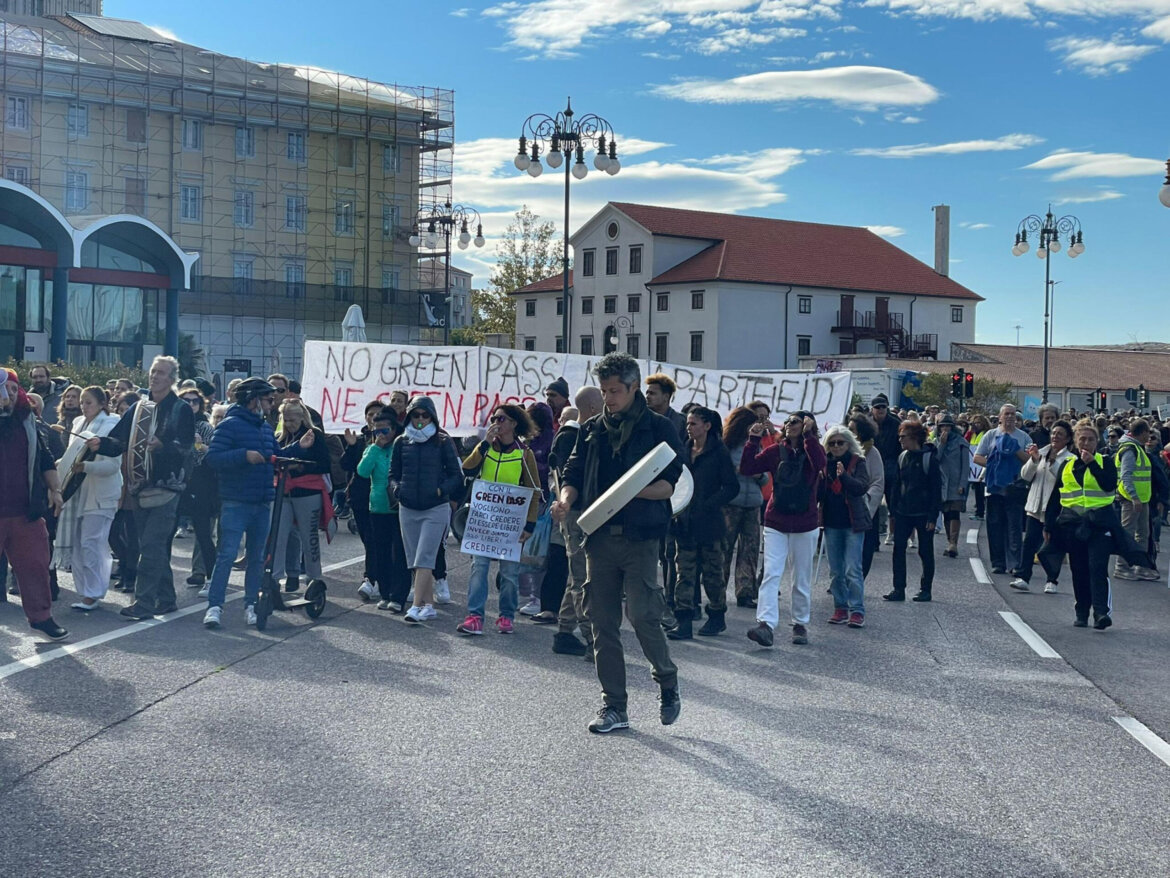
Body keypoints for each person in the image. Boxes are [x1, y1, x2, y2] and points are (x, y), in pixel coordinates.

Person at [553, 353, 684, 734]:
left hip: (640, 537)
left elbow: (669, 485)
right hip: (597, 539)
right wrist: (565, 499)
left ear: (633, 388)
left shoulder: (659, 428)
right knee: (600, 622)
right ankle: (614, 706)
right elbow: (573, 471)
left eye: (615, 391)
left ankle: (667, 681)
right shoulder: (591, 429)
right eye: (605, 391)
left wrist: (628, 493)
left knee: (643, 615)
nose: (609, 398)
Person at [90, 356, 194, 621]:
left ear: (172, 380)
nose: (154, 376)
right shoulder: (137, 408)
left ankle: (144, 603)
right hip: (138, 487)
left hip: (166, 488)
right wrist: (99, 444)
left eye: (161, 373)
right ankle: (167, 599)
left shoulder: (181, 409)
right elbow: (118, 440)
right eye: (153, 371)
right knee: (153, 546)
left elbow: (186, 449)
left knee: (150, 546)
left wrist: (164, 446)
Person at [741, 410, 825, 647]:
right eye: (787, 421)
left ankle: (799, 623)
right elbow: (747, 468)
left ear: (808, 425)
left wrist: (809, 436)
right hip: (776, 521)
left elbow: (820, 464)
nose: (789, 425)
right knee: (772, 573)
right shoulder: (776, 451)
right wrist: (753, 441)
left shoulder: (812, 449)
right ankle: (765, 625)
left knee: (801, 577)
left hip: (805, 523)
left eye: (796, 421)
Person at [457, 404, 541, 634]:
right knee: (478, 568)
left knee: (509, 574)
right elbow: (467, 469)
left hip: (510, 523)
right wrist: (484, 444)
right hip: (483, 520)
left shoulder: (524, 453)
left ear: (514, 423)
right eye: (494, 418)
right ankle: (475, 615)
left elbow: (534, 490)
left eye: (501, 419)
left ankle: (506, 616)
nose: (496, 422)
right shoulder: (486, 449)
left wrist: (530, 524)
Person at [201, 378, 278, 628]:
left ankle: (251, 606)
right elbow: (212, 458)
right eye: (267, 399)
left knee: (257, 557)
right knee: (227, 555)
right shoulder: (230, 425)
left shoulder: (266, 428)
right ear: (253, 400)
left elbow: (276, 455)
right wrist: (244, 455)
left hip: (262, 502)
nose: (271, 404)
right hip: (236, 501)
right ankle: (214, 607)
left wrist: (301, 448)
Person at [0, 369, 68, 639]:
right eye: (6, 390)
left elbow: (45, 458)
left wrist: (56, 489)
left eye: (15, 390)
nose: (10, 395)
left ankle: (41, 617)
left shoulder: (29, 421)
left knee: (37, 565)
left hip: (24, 511)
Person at [389, 396, 462, 625]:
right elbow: (393, 474)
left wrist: (441, 491)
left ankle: (415, 606)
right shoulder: (401, 442)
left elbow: (457, 476)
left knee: (425, 558)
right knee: (415, 560)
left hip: (435, 508)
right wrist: (397, 490)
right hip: (408, 507)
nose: (420, 420)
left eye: (425, 415)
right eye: (416, 415)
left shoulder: (442, 441)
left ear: (432, 417)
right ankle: (429, 605)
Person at [667, 406, 738, 640]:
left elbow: (731, 487)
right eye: (688, 424)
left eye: (694, 423)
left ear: (707, 426)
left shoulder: (719, 452)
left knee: (712, 574)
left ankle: (717, 616)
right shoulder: (683, 451)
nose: (689, 428)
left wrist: (709, 503)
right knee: (684, 574)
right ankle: (684, 620)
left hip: (710, 524)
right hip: (684, 523)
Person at [53, 386, 122, 611]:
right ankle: (85, 592)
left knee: (92, 543)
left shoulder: (112, 424)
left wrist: (86, 467)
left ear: (102, 404)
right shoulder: (78, 423)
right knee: (78, 545)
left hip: (101, 496)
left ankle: (94, 593)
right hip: (77, 494)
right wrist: (61, 464)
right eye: (82, 402)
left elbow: (113, 466)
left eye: (88, 402)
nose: (83, 406)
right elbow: (72, 455)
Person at [551, 387, 602, 657]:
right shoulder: (576, 436)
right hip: (579, 513)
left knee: (576, 575)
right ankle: (592, 640)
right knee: (584, 579)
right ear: (594, 408)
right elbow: (574, 477)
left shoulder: (569, 435)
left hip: (576, 512)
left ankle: (564, 630)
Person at [271, 399, 331, 594]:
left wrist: (300, 466)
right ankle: (274, 578)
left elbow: (324, 465)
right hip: (284, 492)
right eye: (286, 420)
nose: (289, 424)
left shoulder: (315, 435)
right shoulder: (280, 437)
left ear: (302, 417)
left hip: (308, 492)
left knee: (309, 537)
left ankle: (314, 578)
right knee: (278, 536)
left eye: (292, 420)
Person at [357, 407, 411, 612]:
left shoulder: (402, 446)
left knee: (400, 553)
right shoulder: (373, 449)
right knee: (380, 552)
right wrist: (373, 448)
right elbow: (362, 471)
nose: (380, 435)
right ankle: (385, 592)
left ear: (394, 429)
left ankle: (398, 596)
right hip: (378, 506)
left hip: (399, 507)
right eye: (376, 431)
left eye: (384, 430)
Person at [820, 425, 872, 627]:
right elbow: (819, 495)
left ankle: (857, 610)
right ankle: (840, 607)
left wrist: (844, 476)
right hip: (832, 522)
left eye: (840, 442)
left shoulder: (857, 462)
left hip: (853, 523)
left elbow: (861, 487)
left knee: (853, 569)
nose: (836, 446)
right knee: (835, 570)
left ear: (849, 444)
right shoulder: (824, 463)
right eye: (831, 443)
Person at [885, 420, 941, 603]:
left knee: (925, 551)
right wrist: (893, 511)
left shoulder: (929, 459)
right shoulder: (903, 457)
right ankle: (898, 589)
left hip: (923, 513)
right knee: (898, 549)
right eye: (899, 436)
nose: (900, 440)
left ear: (915, 437)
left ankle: (926, 590)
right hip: (903, 512)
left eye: (904, 437)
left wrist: (933, 516)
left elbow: (936, 489)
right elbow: (896, 485)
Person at [1016, 419, 1074, 594]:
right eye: (1054, 433)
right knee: (1029, 543)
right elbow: (1025, 476)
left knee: (1053, 546)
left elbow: (1063, 479)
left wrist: (1053, 463)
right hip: (1035, 506)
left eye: (1060, 434)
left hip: (1054, 509)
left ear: (1068, 439)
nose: (1055, 437)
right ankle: (1023, 576)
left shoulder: (1070, 459)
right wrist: (1034, 461)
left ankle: (1052, 580)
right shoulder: (1041, 453)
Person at [973, 405, 1031, 576]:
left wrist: (1015, 450)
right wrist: (994, 465)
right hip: (994, 488)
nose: (1010, 417)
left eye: (1013, 414)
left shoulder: (1023, 437)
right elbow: (977, 457)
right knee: (995, 526)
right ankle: (998, 562)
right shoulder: (991, 435)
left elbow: (1030, 461)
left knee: (1014, 527)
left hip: (1015, 487)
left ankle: (1014, 563)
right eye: (1007, 414)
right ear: (1000, 417)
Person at [721, 406, 768, 609]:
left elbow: (765, 476)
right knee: (725, 549)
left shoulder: (756, 446)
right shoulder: (727, 446)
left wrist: (759, 475)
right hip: (731, 504)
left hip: (753, 505)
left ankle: (745, 592)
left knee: (750, 550)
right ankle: (718, 590)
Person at [517, 400, 556, 617]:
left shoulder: (550, 441)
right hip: (523, 499)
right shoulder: (526, 441)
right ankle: (524, 595)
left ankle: (537, 597)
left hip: (541, 501)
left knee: (537, 552)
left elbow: (551, 471)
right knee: (521, 549)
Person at [178, 381, 218, 590]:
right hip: (176, 481)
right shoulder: (174, 423)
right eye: (187, 401)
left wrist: (200, 445)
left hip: (200, 483)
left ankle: (210, 577)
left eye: (195, 401)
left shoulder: (204, 426)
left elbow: (215, 452)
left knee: (203, 533)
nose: (191, 404)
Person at [347, 400, 386, 601]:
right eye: (370, 414)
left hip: (381, 499)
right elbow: (348, 466)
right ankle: (376, 578)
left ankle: (371, 579)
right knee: (368, 541)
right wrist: (352, 447)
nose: (373, 418)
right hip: (360, 498)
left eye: (378, 414)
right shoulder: (360, 439)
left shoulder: (391, 440)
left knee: (374, 540)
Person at [1113, 419, 1158, 581]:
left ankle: (1140, 566)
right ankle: (1121, 566)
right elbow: (1126, 476)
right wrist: (1134, 497)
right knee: (1128, 533)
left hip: (1140, 498)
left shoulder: (1137, 448)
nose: (1149, 436)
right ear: (1143, 432)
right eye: (1148, 432)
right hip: (1131, 499)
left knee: (1142, 534)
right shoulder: (1130, 450)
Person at [847, 414, 885, 579]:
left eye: (852, 430)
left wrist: (867, 501)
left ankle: (858, 578)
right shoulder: (842, 449)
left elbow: (878, 481)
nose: (849, 432)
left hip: (865, 507)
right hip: (845, 505)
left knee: (865, 546)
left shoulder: (872, 452)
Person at [935, 414, 970, 558]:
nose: (945, 429)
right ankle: (949, 541)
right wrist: (942, 445)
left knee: (954, 512)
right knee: (946, 513)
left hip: (956, 483)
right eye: (943, 426)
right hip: (943, 483)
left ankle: (953, 543)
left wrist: (962, 484)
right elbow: (935, 459)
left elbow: (965, 466)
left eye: (948, 426)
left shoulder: (961, 442)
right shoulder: (936, 442)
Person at [870, 394, 901, 545]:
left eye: (883, 407)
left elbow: (901, 446)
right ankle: (873, 539)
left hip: (891, 467)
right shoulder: (867, 423)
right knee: (872, 504)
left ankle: (893, 533)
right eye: (878, 407)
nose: (881, 409)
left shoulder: (896, 423)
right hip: (872, 468)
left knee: (893, 503)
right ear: (872, 409)